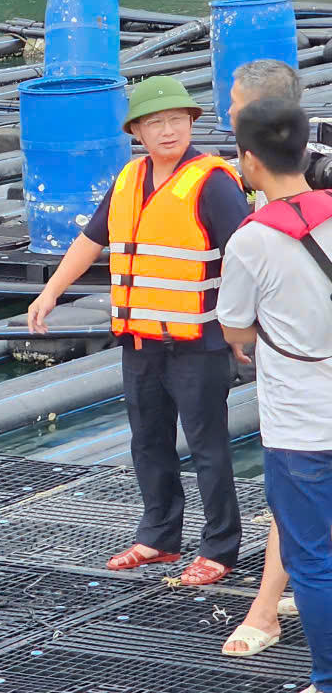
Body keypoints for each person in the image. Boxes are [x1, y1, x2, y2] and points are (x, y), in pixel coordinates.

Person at [27, 75, 249, 586]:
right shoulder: (129, 178)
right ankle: (159, 536)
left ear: (191, 124)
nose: (168, 130)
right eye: (155, 123)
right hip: (141, 341)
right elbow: (91, 240)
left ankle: (220, 547)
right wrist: (51, 292)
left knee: (208, 446)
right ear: (137, 132)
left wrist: (243, 329)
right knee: (148, 442)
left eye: (177, 121)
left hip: (199, 344)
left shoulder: (213, 181)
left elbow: (247, 259)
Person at [218, 98, 332, 693]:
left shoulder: (251, 240)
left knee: (312, 559)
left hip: (300, 427)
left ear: (249, 160)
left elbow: (236, 329)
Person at [221, 60, 302, 657]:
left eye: (232, 103)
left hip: (301, 386)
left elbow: (237, 325)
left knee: (292, 492)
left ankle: (266, 608)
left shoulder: (266, 218)